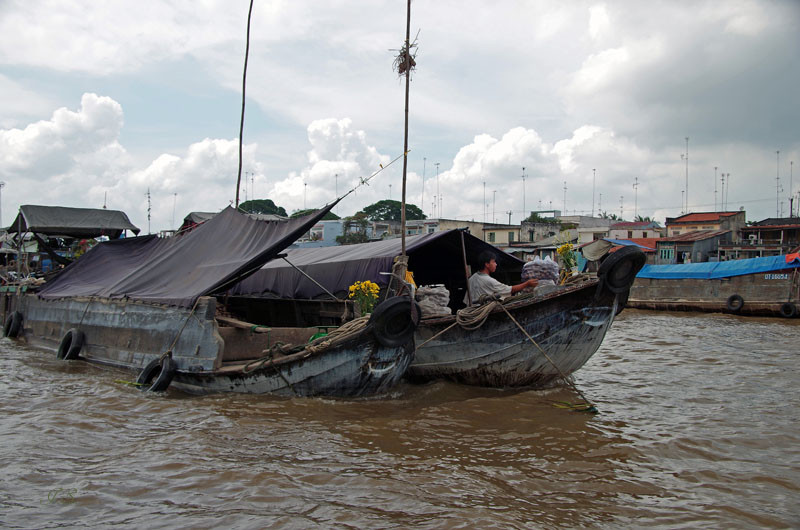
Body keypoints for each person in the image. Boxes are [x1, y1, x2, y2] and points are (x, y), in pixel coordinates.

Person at [464, 250, 538, 305]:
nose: (496, 264)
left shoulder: (472, 278)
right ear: (487, 264)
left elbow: (466, 301)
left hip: (471, 312)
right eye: (493, 262)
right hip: (482, 313)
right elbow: (510, 290)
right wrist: (527, 284)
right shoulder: (489, 281)